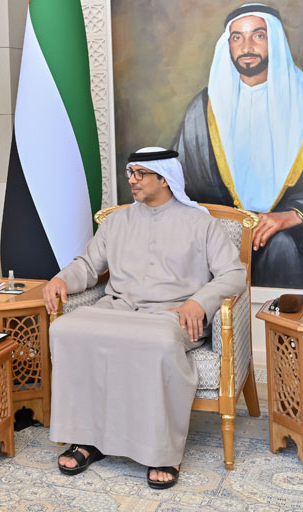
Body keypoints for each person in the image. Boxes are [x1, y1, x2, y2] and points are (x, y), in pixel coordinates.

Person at [43, 147, 246, 489]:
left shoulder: (201, 223)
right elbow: (89, 267)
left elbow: (234, 274)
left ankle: (162, 452)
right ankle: (87, 439)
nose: (132, 181)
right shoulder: (117, 221)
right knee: (65, 329)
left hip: (172, 314)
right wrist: (61, 279)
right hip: (119, 309)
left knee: (157, 341)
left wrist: (199, 302)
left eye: (140, 174)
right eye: (130, 174)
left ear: (164, 179)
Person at [172, 3, 303, 288]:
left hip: (293, 230)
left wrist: (294, 214)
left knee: (282, 247)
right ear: (228, 45)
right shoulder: (204, 108)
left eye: (258, 35)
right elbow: (178, 182)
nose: (247, 47)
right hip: (220, 230)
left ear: (275, 40)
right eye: (237, 37)